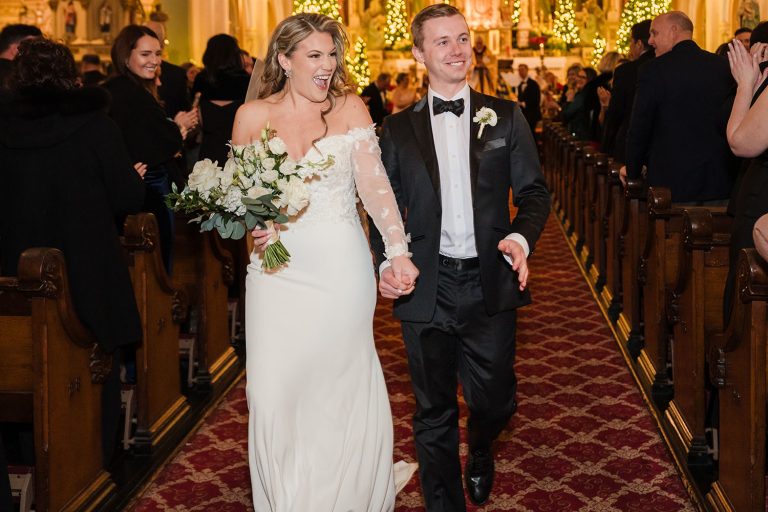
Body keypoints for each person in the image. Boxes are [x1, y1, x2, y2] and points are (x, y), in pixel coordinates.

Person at [232, 13, 419, 510]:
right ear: (283, 60)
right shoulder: (251, 117)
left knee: (338, 381)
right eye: (314, 55)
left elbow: (376, 190)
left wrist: (397, 254)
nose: (327, 65)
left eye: (332, 54)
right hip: (275, 271)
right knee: (272, 391)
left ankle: (346, 496)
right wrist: (254, 224)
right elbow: (243, 199)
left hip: (340, 266)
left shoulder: (350, 109)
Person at [372, 4, 551, 510]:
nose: (457, 49)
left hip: (488, 281)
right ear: (418, 52)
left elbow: (535, 194)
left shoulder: (507, 116)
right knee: (432, 412)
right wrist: (387, 262)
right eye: (443, 41)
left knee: (494, 399)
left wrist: (519, 238)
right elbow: (379, 209)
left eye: (462, 38)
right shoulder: (397, 129)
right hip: (426, 284)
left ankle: (484, 444)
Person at [0, 38, 145, 466]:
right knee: (96, 370)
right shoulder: (97, 126)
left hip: (19, 271)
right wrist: (133, 178)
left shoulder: (4, 127)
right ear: (71, 75)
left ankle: (33, 466)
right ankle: (94, 467)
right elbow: (126, 198)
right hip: (89, 273)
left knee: (27, 371)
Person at [103, 25, 194, 272]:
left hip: (137, 191)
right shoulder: (128, 94)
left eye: (157, 53)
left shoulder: (125, 90)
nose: (154, 61)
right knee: (153, 268)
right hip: (144, 193)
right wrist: (177, 129)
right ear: (125, 56)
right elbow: (160, 141)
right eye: (146, 54)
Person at [623, 12, 737, 203]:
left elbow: (639, 128)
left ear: (674, 31)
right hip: (719, 183)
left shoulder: (653, 70)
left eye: (655, 33)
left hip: (670, 187)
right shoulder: (722, 66)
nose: (650, 41)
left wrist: (632, 170)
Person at [722, 38, 768, 319]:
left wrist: (745, 84)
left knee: (746, 296)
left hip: (762, 196)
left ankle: (736, 362)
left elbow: (741, 143)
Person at [193, 34, 250, 165]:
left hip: (209, 148)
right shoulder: (245, 80)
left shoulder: (201, 79)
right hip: (238, 150)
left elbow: (194, 114)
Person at [601, 20, 653, 161]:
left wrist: (606, 145)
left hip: (630, 143)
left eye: (631, 42)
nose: (630, 48)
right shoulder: (666, 66)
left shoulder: (626, 71)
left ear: (639, 44)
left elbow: (616, 113)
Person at [515, 63, 541, 133]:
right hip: (524, 115)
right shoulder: (520, 85)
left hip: (532, 114)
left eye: (522, 70)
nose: (520, 72)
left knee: (531, 134)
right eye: (519, 70)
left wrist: (522, 103)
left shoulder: (534, 84)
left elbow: (536, 100)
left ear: (527, 70)